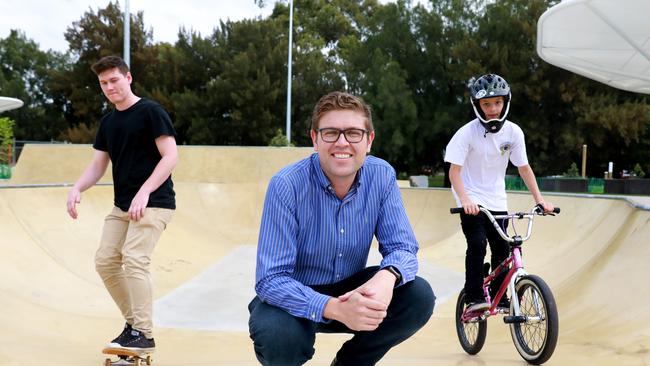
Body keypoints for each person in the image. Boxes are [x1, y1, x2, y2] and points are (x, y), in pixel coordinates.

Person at [248, 91, 435, 366]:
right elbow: (271, 279)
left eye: (353, 133)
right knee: (277, 333)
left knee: (417, 295)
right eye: (331, 133)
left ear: (369, 140)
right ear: (315, 139)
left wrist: (389, 276)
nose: (342, 142)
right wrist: (333, 308)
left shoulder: (381, 176)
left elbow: (403, 248)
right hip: (296, 294)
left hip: (352, 289)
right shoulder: (286, 185)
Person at [66, 55, 178, 352]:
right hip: (122, 206)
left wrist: (144, 192)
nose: (109, 87)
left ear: (128, 78)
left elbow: (171, 156)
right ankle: (134, 326)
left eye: (114, 80)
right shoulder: (109, 122)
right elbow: (98, 165)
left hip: (155, 202)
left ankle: (144, 332)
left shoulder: (151, 112)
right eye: (103, 83)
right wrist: (77, 187)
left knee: (135, 259)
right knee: (105, 261)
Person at [444, 74, 554, 312]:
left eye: (497, 103)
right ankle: (473, 297)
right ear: (477, 106)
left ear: (506, 102)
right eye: (486, 104)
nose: (493, 109)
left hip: (496, 199)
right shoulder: (466, 133)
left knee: (503, 250)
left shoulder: (513, 133)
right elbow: (454, 173)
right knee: (477, 243)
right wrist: (465, 201)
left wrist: (540, 200)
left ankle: (501, 296)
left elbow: (524, 168)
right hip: (471, 198)